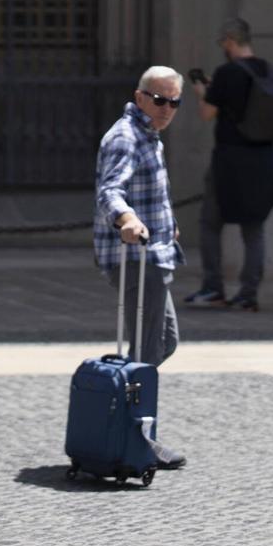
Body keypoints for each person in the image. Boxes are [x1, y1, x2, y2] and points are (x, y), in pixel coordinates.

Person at [184, 18, 273, 312]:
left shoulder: (226, 73)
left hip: (230, 159)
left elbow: (207, 113)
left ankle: (213, 288)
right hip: (264, 158)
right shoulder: (267, 70)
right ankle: (248, 294)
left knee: (210, 223)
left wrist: (203, 92)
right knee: (253, 229)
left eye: (222, 42)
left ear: (229, 40)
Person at [95, 66, 185, 371]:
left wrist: (168, 225)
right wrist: (128, 220)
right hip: (136, 257)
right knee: (146, 352)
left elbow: (149, 190)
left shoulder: (150, 135)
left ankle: (126, 403)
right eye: (160, 100)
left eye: (175, 102)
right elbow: (110, 191)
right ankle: (128, 414)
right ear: (139, 97)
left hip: (157, 253)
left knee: (164, 341)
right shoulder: (126, 137)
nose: (167, 109)